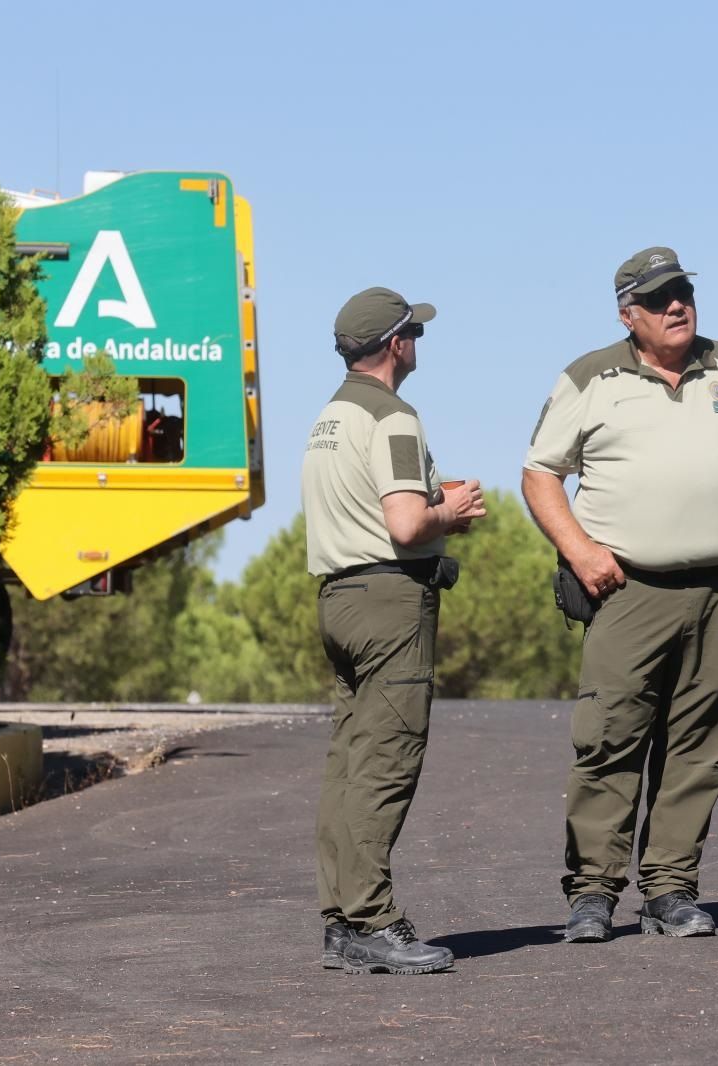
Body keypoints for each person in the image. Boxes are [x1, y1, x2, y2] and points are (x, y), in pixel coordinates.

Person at [522, 247, 718, 943]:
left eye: (683, 293)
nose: (677, 305)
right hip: (627, 590)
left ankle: (671, 888)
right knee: (610, 737)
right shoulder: (590, 376)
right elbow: (540, 474)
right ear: (628, 315)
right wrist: (580, 552)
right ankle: (593, 892)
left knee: (702, 741)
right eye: (658, 298)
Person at [302, 286, 486, 974]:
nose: (418, 345)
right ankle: (374, 921)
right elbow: (406, 524)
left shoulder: (329, 417)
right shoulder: (394, 417)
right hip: (389, 603)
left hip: (339, 598)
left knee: (350, 763)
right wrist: (452, 511)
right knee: (386, 761)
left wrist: (430, 504)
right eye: (416, 333)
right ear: (396, 344)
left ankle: (341, 922)